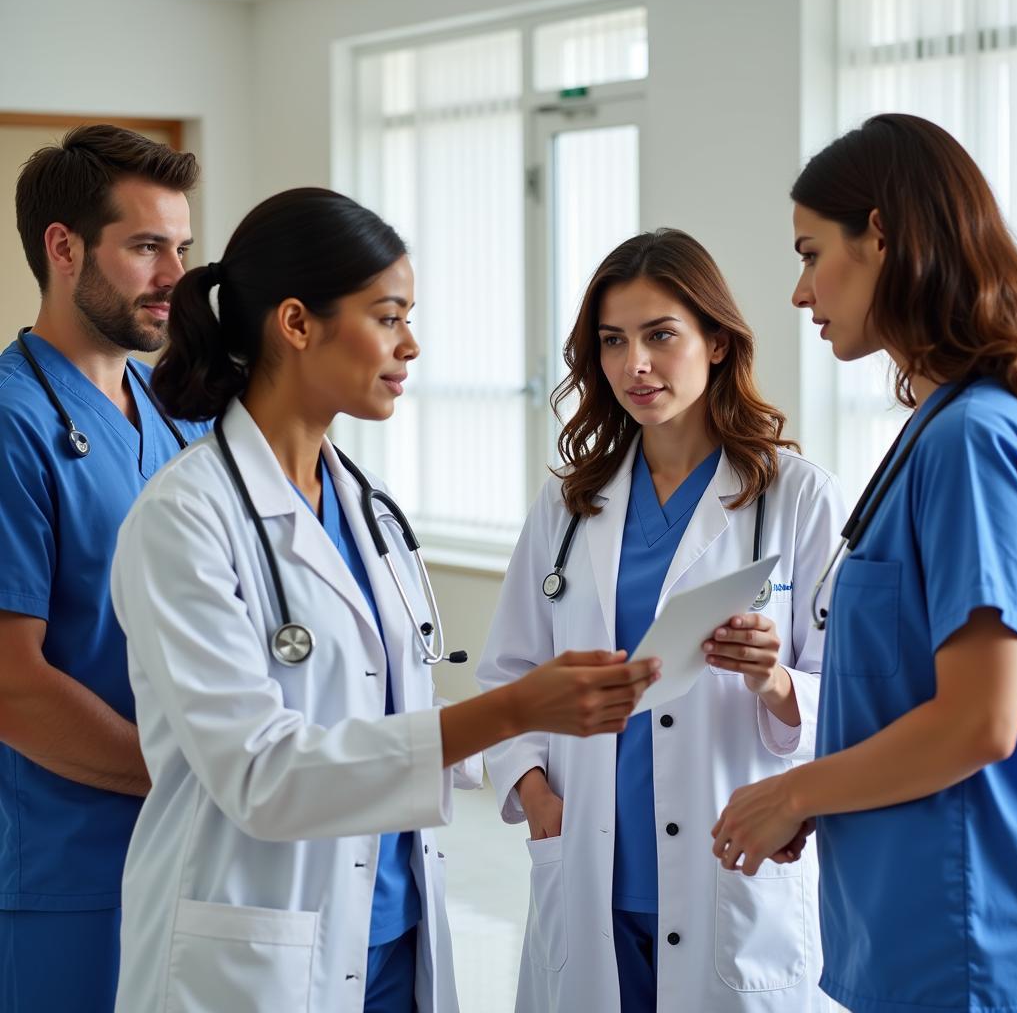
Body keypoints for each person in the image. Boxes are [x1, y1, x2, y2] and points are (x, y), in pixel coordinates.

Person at [108, 187, 660, 1013]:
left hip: (394, 939)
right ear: (296, 324)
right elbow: (262, 774)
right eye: (389, 316)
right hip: (262, 947)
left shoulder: (367, 507)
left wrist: (539, 741)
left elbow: (385, 701)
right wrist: (513, 712)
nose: (411, 345)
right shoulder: (184, 519)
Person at [475, 229, 844, 1012]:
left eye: (659, 336)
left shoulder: (796, 497)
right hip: (588, 871)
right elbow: (508, 674)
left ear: (716, 342)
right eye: (613, 342)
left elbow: (848, 698)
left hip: (732, 875)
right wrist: (539, 800)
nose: (634, 365)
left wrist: (774, 680)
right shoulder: (572, 504)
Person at [712, 113, 1017, 1013]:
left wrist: (794, 791)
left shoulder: (970, 439)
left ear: (880, 234)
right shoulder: (932, 433)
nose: (802, 292)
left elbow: (981, 722)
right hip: (906, 928)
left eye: (813, 254)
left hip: (960, 944)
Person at [0, 125, 206, 1013]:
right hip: (66, 873)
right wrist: (209, 781)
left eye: (182, 249)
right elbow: (12, 685)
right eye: (146, 247)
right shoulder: (13, 425)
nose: (175, 277)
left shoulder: (180, 417)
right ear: (64, 248)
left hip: (190, 854)